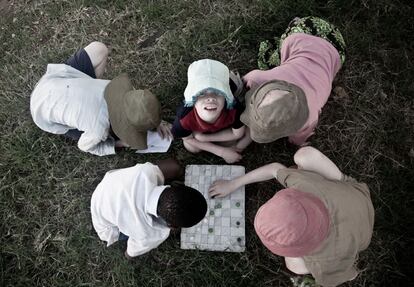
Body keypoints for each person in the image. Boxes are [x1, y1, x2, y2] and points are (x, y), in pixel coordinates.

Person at [209, 147, 374, 287]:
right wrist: (233, 184)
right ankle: (339, 181)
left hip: (363, 234)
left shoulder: (326, 263)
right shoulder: (304, 186)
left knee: (294, 265)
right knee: (304, 155)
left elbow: (351, 275)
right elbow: (274, 168)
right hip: (355, 196)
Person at [30, 41, 172, 156]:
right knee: (87, 131)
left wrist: (152, 119)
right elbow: (84, 146)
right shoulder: (99, 129)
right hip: (41, 110)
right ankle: (71, 122)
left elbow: (137, 102)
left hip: (55, 82)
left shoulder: (113, 87)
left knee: (99, 49)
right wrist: (120, 144)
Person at [241, 16, 346, 145]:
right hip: (318, 36)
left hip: (335, 50)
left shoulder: (309, 118)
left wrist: (297, 142)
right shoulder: (260, 78)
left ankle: (296, 24)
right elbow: (249, 78)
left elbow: (298, 139)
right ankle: (295, 23)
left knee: (269, 60)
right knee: (268, 59)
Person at [91, 158, 207, 258]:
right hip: (105, 223)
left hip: (107, 187)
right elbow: (132, 251)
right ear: (172, 225)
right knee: (138, 235)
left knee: (172, 167)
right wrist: (128, 255)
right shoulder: (149, 232)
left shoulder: (146, 172)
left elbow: (171, 166)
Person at [171, 59, 251, 163]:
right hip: (204, 130)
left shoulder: (235, 108)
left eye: (217, 92)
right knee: (192, 147)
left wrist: (204, 138)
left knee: (229, 142)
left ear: (226, 98)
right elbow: (187, 139)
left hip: (230, 83)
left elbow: (237, 134)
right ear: (193, 99)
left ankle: (229, 78)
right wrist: (222, 152)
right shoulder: (183, 117)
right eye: (202, 93)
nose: (210, 98)